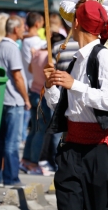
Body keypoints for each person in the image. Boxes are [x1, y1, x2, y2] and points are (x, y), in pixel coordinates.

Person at [44, 0, 108, 210]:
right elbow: (64, 108)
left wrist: (75, 85)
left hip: (98, 151)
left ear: (76, 22)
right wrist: (51, 86)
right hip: (71, 148)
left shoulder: (104, 57)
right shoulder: (76, 61)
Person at [0, 16, 31, 187]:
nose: (24, 29)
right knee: (12, 143)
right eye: (22, 27)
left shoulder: (0, 46)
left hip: (2, 100)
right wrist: (26, 99)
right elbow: (18, 76)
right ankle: (11, 178)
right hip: (14, 100)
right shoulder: (12, 48)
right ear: (15, 29)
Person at [22, 32, 66, 176]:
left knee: (34, 130)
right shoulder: (50, 57)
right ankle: (34, 163)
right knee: (41, 131)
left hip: (33, 91)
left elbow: (29, 69)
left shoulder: (37, 53)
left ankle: (27, 160)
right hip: (43, 95)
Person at [21, 13, 46, 147]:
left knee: (32, 127)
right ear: (37, 24)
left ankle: (27, 158)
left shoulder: (25, 40)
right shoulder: (39, 43)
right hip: (38, 86)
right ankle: (32, 160)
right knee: (38, 129)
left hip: (29, 84)